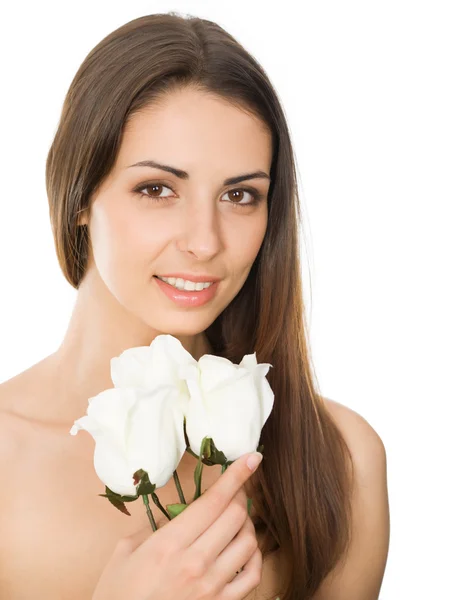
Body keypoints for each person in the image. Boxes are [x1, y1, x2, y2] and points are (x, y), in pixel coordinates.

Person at [0, 12, 390, 600]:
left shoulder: (339, 461)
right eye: (158, 189)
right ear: (80, 195)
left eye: (240, 195)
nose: (205, 241)